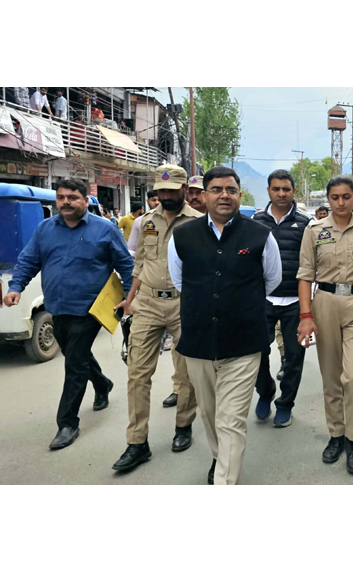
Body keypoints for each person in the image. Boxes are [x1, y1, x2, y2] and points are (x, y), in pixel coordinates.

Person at [168, 166, 282, 485]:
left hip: (244, 343)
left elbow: (271, 280)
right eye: (216, 189)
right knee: (210, 414)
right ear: (204, 196)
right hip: (198, 343)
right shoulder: (183, 235)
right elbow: (180, 281)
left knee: (230, 420)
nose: (224, 195)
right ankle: (222, 460)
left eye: (231, 190)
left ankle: (224, 481)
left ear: (239, 195)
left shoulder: (260, 235)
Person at [3, 179, 133, 450]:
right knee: (77, 354)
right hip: (57, 306)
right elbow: (29, 260)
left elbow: (126, 264)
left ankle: (67, 423)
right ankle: (102, 384)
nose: (66, 202)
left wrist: (130, 299)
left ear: (85, 200)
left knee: (74, 363)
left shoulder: (105, 229)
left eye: (72, 197)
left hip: (91, 309)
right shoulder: (45, 229)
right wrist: (16, 287)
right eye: (61, 197)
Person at [110, 166, 202, 472]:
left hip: (184, 303)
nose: (166, 196)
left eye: (172, 190)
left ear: (185, 189)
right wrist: (129, 299)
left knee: (186, 371)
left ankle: (183, 425)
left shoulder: (198, 223)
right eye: (162, 191)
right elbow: (139, 264)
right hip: (147, 303)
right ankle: (137, 442)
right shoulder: (144, 222)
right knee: (137, 373)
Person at [297, 176, 353, 475]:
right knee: (332, 377)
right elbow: (305, 275)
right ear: (329, 199)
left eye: (346, 196)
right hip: (325, 304)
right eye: (334, 197)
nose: (341, 202)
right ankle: (336, 435)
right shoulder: (314, 231)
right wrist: (306, 317)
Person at [252, 169, 312, 427]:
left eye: (286, 189)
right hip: (262, 300)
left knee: (294, 358)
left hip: (295, 301)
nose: (281, 193)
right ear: (268, 191)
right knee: (256, 353)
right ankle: (265, 392)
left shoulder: (305, 223)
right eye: (276, 189)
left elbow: (311, 264)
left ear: (293, 191)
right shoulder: (256, 221)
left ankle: (285, 403)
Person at [127, 190, 160, 256]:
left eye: (159, 200)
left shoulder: (171, 219)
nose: (157, 203)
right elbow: (131, 249)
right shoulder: (140, 221)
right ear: (147, 201)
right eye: (153, 200)